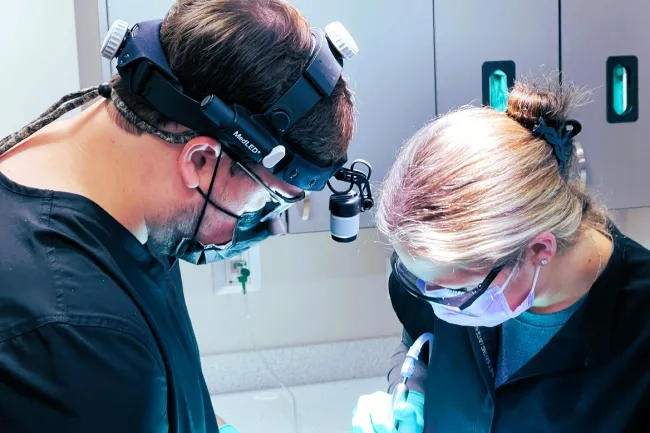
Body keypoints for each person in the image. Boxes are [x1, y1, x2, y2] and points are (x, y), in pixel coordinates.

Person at [0, 1, 355, 432]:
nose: (238, 232)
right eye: (262, 203)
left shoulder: (127, 204)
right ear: (200, 160)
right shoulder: (82, 336)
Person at [352, 79, 650, 432]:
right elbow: (420, 334)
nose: (435, 301)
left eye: (454, 291)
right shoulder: (450, 281)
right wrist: (409, 387)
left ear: (539, 249)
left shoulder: (639, 331)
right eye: (418, 279)